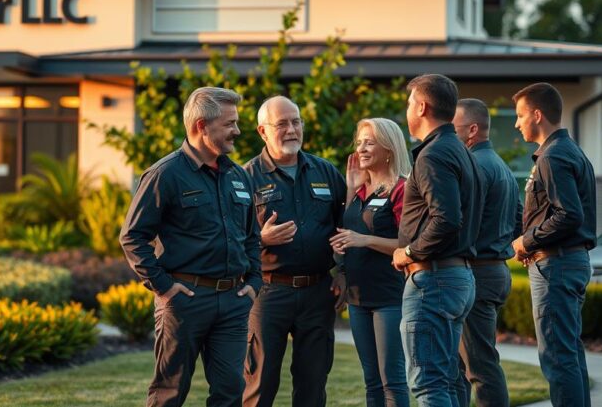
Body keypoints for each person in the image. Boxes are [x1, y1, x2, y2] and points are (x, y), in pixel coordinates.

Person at [120, 86, 262, 407]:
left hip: (233, 303)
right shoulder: (165, 174)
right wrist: (164, 287)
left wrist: (254, 282)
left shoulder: (238, 175)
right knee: (169, 392)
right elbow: (133, 236)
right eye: (229, 124)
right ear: (201, 126)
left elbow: (252, 236)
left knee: (229, 392)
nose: (237, 131)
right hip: (185, 302)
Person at [242, 96, 347, 407]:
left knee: (313, 385)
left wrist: (343, 270)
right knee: (260, 383)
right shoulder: (245, 178)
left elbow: (347, 226)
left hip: (318, 291)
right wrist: (260, 239)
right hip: (268, 293)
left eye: (296, 121)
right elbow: (230, 238)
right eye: (282, 124)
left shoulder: (325, 172)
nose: (292, 130)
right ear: (262, 131)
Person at [391, 73, 481, 407]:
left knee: (429, 384)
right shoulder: (458, 149)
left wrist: (408, 251)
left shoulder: (433, 155)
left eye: (409, 102)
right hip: (455, 277)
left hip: (435, 280)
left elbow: (447, 219)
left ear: (422, 106)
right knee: (448, 381)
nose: (407, 110)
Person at [511, 83, 596, 407]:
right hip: (563, 261)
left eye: (520, 116)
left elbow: (568, 215)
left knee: (557, 358)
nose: (517, 124)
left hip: (557, 266)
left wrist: (526, 241)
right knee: (568, 353)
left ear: (537, 114)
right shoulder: (568, 150)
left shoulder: (554, 155)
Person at [330, 117, 411, 407]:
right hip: (358, 297)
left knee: (392, 380)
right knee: (371, 381)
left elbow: (409, 246)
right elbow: (344, 234)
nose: (361, 148)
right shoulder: (359, 191)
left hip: (389, 297)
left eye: (370, 142)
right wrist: (351, 191)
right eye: (360, 142)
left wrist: (365, 240)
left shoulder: (402, 189)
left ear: (388, 148)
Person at [451, 98, 521, 407]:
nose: (448, 136)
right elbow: (519, 218)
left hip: (477, 272)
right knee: (467, 365)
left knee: (479, 366)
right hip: (495, 269)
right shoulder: (502, 166)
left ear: (473, 129)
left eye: (453, 129)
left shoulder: (475, 165)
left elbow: (461, 222)